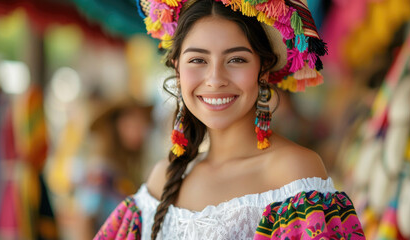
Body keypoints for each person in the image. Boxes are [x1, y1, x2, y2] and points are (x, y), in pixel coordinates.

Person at [94, 0, 366, 239]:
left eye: (236, 59)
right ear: (177, 69)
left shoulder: (293, 173)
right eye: (198, 60)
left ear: (263, 69)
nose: (215, 80)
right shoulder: (162, 179)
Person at [75, 98, 153, 238]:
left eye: (142, 122)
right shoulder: (101, 171)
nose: (139, 129)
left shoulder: (127, 170)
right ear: (115, 127)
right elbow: (84, 220)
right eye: (131, 123)